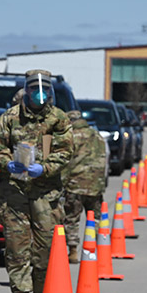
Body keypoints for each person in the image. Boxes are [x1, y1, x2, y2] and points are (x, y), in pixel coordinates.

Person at [0, 69, 73, 293]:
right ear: (25, 90)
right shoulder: (10, 118)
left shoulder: (58, 119)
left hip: (45, 196)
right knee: (16, 250)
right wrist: (7, 164)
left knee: (45, 250)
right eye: (35, 89)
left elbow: (65, 151)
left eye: (45, 90)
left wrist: (44, 168)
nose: (39, 94)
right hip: (15, 194)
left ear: (50, 92)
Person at [63, 109, 107, 263]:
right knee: (94, 218)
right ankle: (93, 248)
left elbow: (65, 161)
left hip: (75, 184)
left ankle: (73, 250)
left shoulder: (71, 137)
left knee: (71, 218)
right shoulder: (98, 136)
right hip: (96, 184)